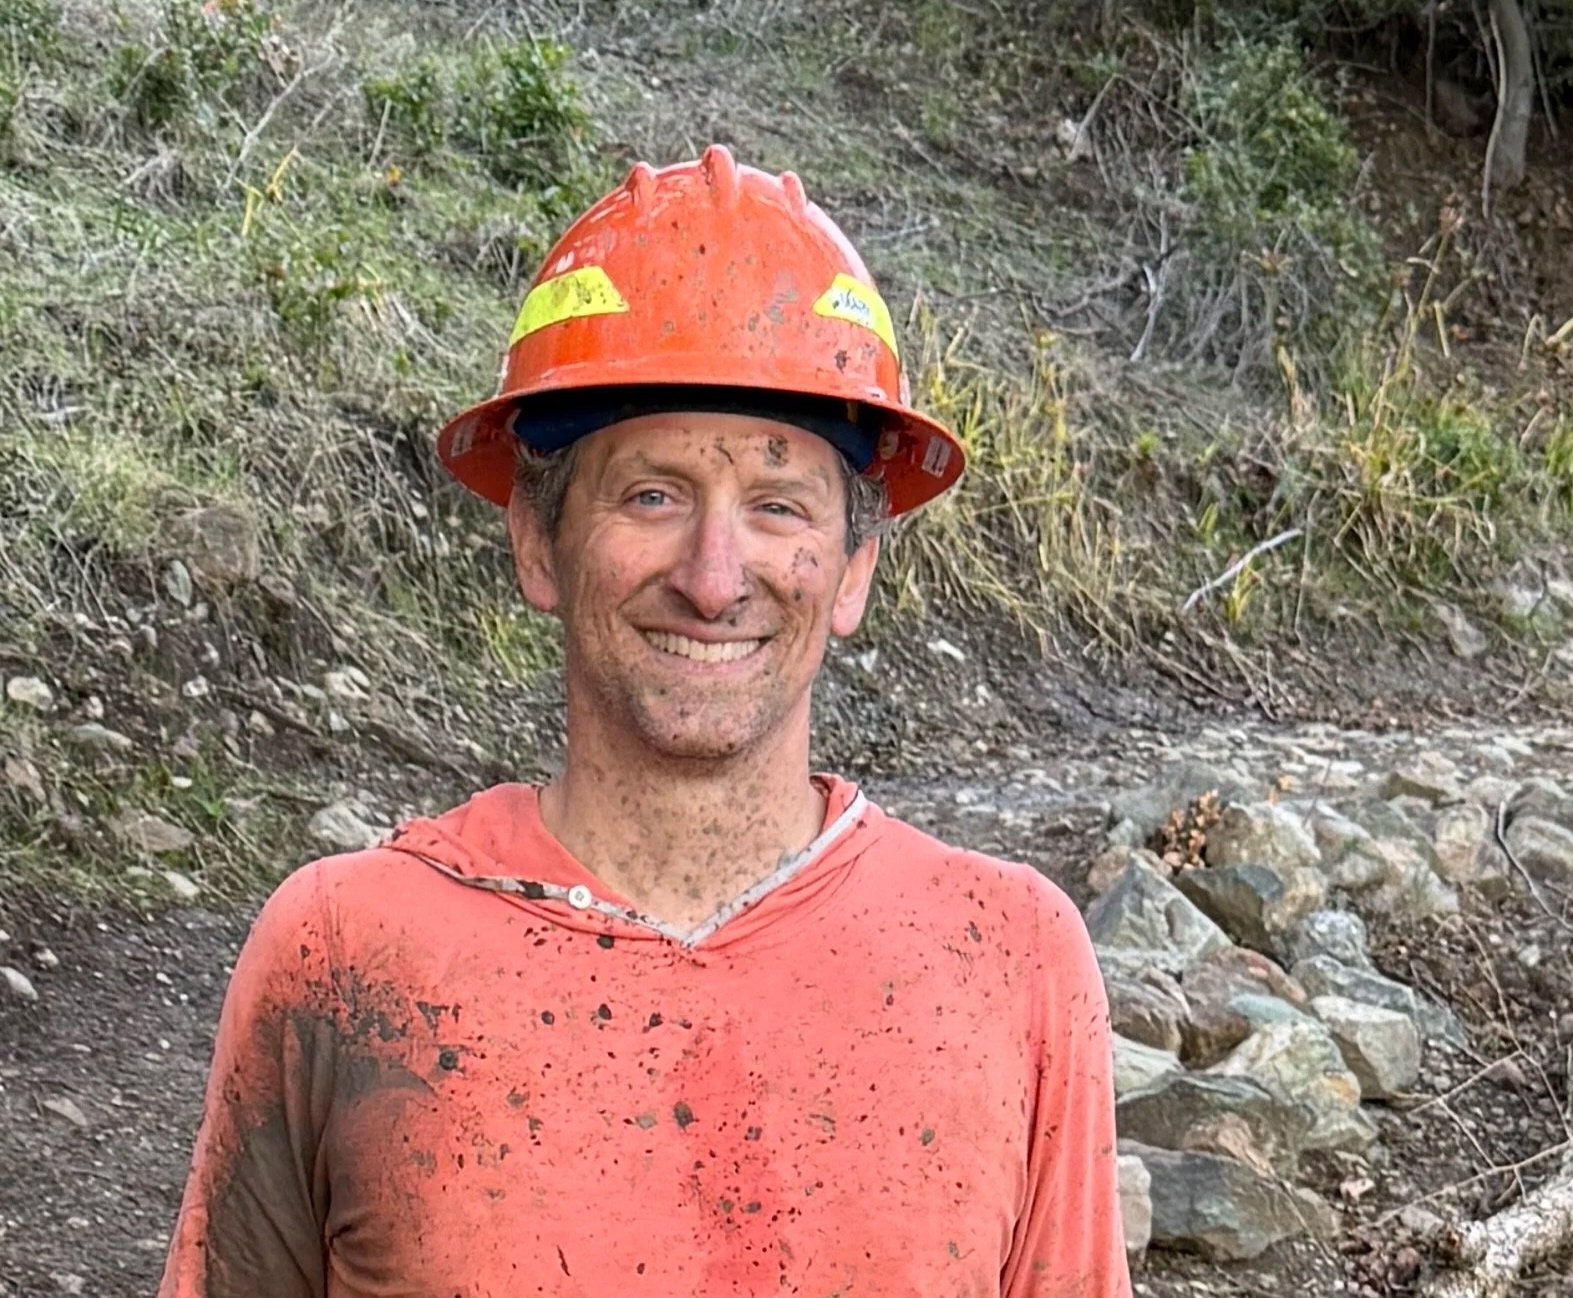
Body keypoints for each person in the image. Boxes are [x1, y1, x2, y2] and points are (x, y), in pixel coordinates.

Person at [158, 144, 1131, 1298]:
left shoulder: (1007, 959)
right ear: (536, 539)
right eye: (652, 494)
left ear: (855, 564)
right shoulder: (342, 949)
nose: (715, 577)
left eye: (777, 504)